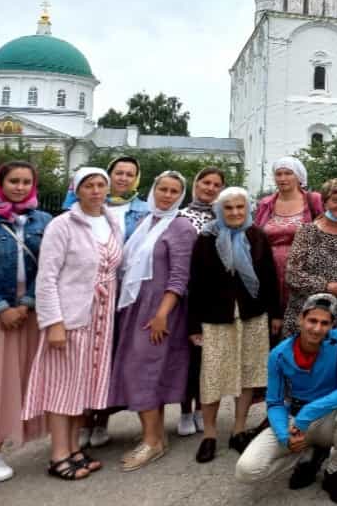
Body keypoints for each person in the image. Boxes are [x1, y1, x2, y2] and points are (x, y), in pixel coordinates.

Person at [23, 167, 123, 480]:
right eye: (89, 186)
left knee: (82, 388)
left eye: (100, 185)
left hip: (101, 321)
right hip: (70, 317)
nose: (95, 191)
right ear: (77, 190)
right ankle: (58, 455)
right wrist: (53, 322)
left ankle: (74, 448)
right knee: (61, 386)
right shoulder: (62, 224)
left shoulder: (111, 222)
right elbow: (47, 277)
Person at [235, 294, 337, 504]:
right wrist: (285, 436)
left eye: (324, 323)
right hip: (294, 421)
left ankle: (335, 470)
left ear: (332, 325)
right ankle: (307, 455)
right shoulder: (279, 354)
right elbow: (275, 402)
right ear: (300, 319)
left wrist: (308, 413)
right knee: (246, 470)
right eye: (312, 320)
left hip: (328, 419)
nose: (316, 328)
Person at [187, 186, 282, 463]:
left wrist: (275, 314)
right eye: (228, 208)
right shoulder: (206, 239)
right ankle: (210, 435)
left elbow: (268, 279)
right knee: (212, 376)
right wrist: (193, 325)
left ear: (247, 209)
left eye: (240, 207)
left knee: (249, 373)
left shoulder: (257, 235)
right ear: (219, 210)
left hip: (253, 315)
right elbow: (196, 283)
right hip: (216, 317)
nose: (235, 212)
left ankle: (239, 430)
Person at [108, 171, 194, 470]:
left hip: (159, 312)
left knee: (142, 370)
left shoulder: (181, 227)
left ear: (181, 196)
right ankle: (155, 436)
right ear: (153, 190)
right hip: (136, 307)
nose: (167, 195)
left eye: (174, 191)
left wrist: (162, 314)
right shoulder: (148, 221)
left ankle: (152, 441)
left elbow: (180, 276)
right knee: (142, 369)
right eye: (163, 189)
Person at [65, 155, 149, 449]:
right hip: (86, 290)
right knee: (85, 357)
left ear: (136, 179)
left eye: (130, 174)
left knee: (109, 358)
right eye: (119, 173)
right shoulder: (79, 208)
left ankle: (102, 419)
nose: (123, 178)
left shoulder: (143, 210)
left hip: (122, 289)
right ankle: (82, 420)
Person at [0, 161, 52, 483]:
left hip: (28, 315)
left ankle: (8, 441)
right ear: (1, 183)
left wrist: (27, 303)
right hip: (0, 314)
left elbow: (50, 265)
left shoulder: (43, 220)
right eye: (13, 181)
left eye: (25, 181)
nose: (18, 186)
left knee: (18, 383)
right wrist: (2, 307)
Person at [177, 166, 226, 437]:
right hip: (185, 291)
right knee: (188, 355)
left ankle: (200, 408)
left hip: (212, 294)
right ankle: (184, 409)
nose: (210, 188)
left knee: (207, 356)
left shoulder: (223, 218)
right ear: (196, 184)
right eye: (205, 182)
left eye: (216, 184)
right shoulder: (181, 216)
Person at [281, 178, 337, 339]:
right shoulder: (308, 232)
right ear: (325, 202)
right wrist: (327, 286)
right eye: (335, 200)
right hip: (304, 316)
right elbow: (292, 275)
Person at [255, 157, 323, 311]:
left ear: (298, 176)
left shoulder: (314, 200)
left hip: (304, 272)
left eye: (288, 173)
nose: (283, 178)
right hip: (270, 273)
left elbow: (325, 230)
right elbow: (256, 237)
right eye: (278, 174)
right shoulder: (265, 204)